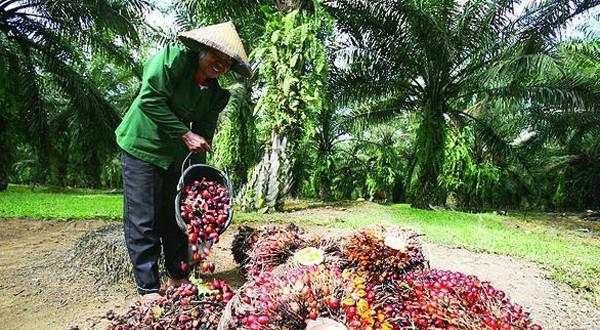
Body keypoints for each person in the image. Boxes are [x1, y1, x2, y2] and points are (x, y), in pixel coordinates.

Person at [115, 22, 252, 304]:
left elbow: (202, 135)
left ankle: (178, 275)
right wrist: (184, 133)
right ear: (203, 49)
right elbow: (148, 100)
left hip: (176, 156)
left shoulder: (216, 94)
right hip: (142, 145)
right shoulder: (173, 60)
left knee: (177, 217)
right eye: (218, 56)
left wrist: (198, 182)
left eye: (228, 62)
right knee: (144, 218)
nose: (222, 65)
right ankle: (149, 289)